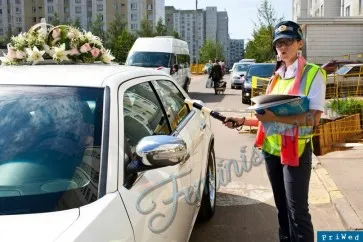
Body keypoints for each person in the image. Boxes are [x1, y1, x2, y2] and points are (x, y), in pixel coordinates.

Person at [224, 20, 326, 242]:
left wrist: (276, 118)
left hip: (295, 153)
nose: (282, 46)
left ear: (300, 43)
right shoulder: (276, 76)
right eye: (278, 42)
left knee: (297, 212)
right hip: (271, 150)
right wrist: (242, 120)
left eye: (288, 41)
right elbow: (265, 120)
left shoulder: (313, 74)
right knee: (281, 208)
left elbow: (313, 119)